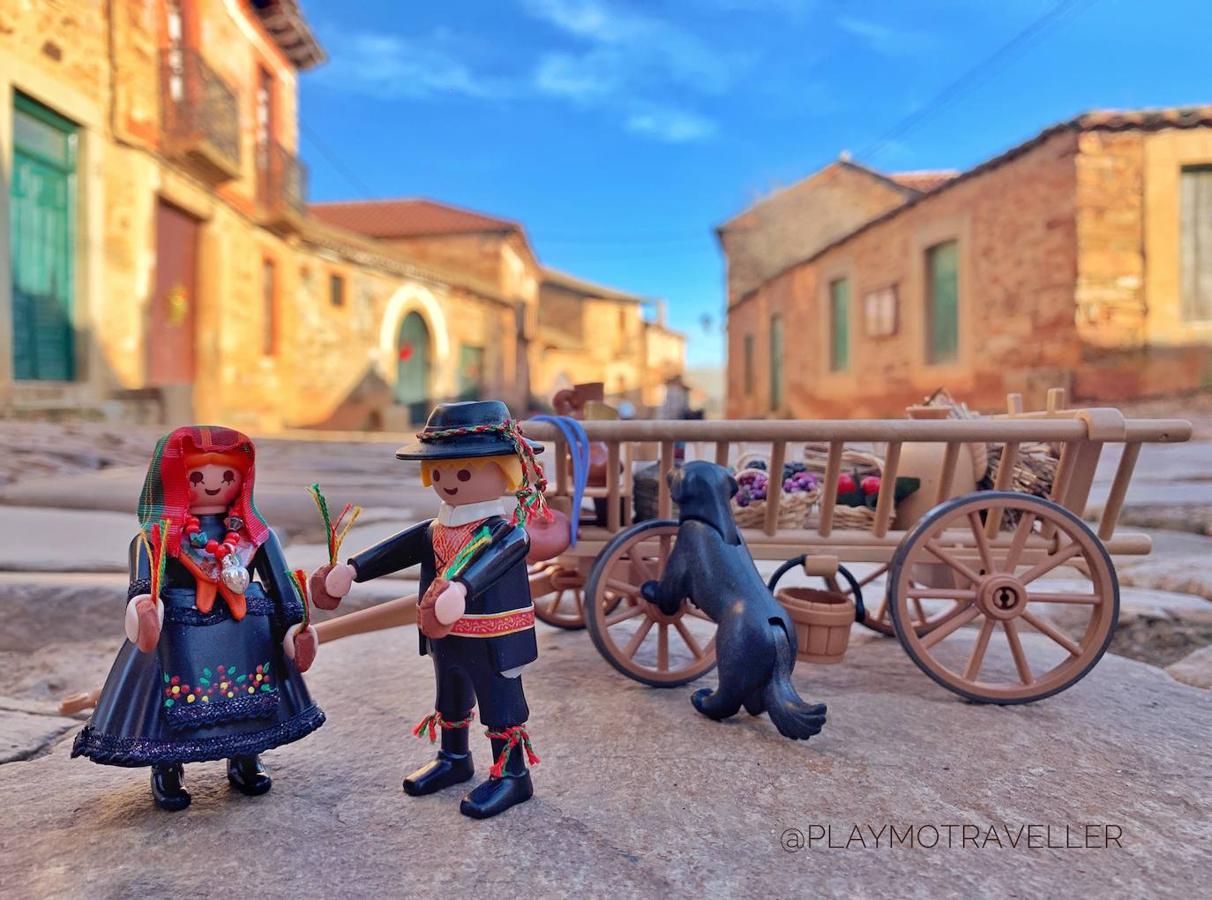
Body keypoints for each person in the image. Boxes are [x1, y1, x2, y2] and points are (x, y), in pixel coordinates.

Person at [72, 426, 323, 811]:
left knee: (252, 699)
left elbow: (281, 584)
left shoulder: (256, 536)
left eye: (226, 476)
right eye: (196, 477)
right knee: (168, 705)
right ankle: (166, 768)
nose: (212, 486)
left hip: (247, 634)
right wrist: (144, 610)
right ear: (172, 480)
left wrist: (294, 627)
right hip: (178, 634)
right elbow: (142, 586)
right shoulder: (155, 537)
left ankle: (246, 758)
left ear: (242, 479)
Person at [313, 400, 542, 819]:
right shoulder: (438, 527)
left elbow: (489, 564)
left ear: (504, 470)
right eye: (438, 473)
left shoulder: (509, 533)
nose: (448, 482)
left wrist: (463, 587)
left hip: (495, 637)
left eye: (464, 472)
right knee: (450, 696)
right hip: (445, 633)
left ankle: (512, 774)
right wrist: (353, 570)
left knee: (500, 703)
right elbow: (398, 548)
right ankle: (455, 757)